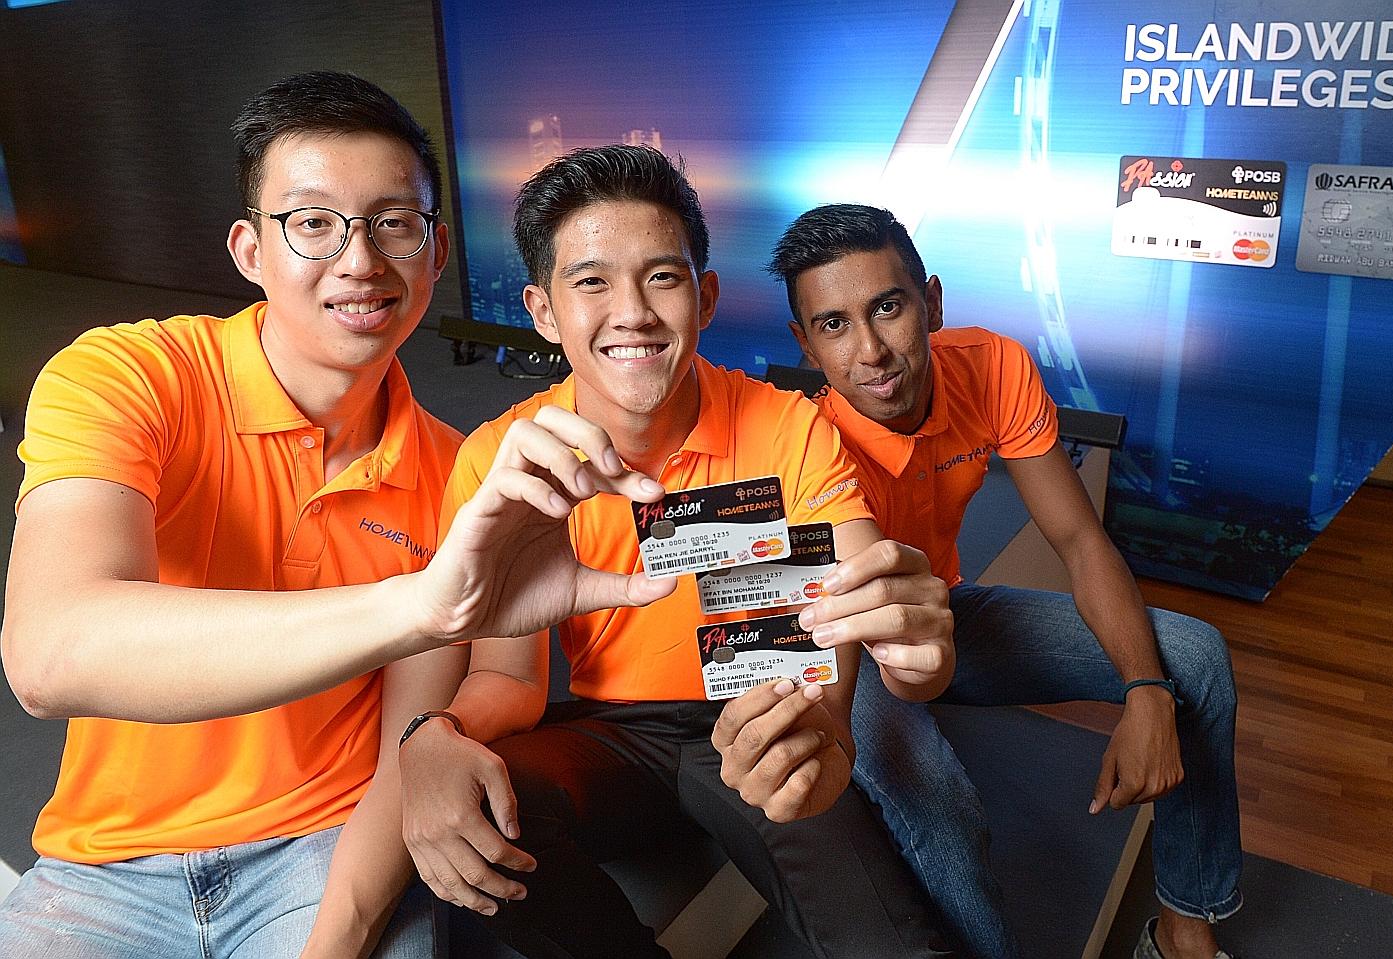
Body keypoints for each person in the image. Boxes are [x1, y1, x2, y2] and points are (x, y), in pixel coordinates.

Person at [0, 73, 674, 958]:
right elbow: (53, 656)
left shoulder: (459, 473)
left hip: (325, 847)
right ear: (250, 249)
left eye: (394, 222)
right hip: (109, 860)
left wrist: (335, 939)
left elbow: (413, 727)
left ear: (434, 254)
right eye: (313, 222)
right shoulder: (129, 376)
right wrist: (426, 605)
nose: (359, 260)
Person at [393, 145, 961, 958]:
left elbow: (852, 596)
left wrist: (851, 699)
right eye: (591, 281)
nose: (633, 312)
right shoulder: (501, 457)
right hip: (610, 734)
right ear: (543, 310)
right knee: (476, 818)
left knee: (896, 943)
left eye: (662, 276)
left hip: (761, 709)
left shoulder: (788, 425)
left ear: (706, 295)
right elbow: (508, 677)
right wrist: (433, 733)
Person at [767, 203, 1243, 959]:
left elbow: (1080, 539)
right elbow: (826, 639)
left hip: (943, 617)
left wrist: (1146, 689)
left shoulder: (991, 365)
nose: (871, 351)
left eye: (888, 307)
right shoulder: (801, 440)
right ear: (805, 342)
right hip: (845, 649)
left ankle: (1186, 933)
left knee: (1196, 657)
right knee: (944, 806)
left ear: (933, 301)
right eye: (833, 325)